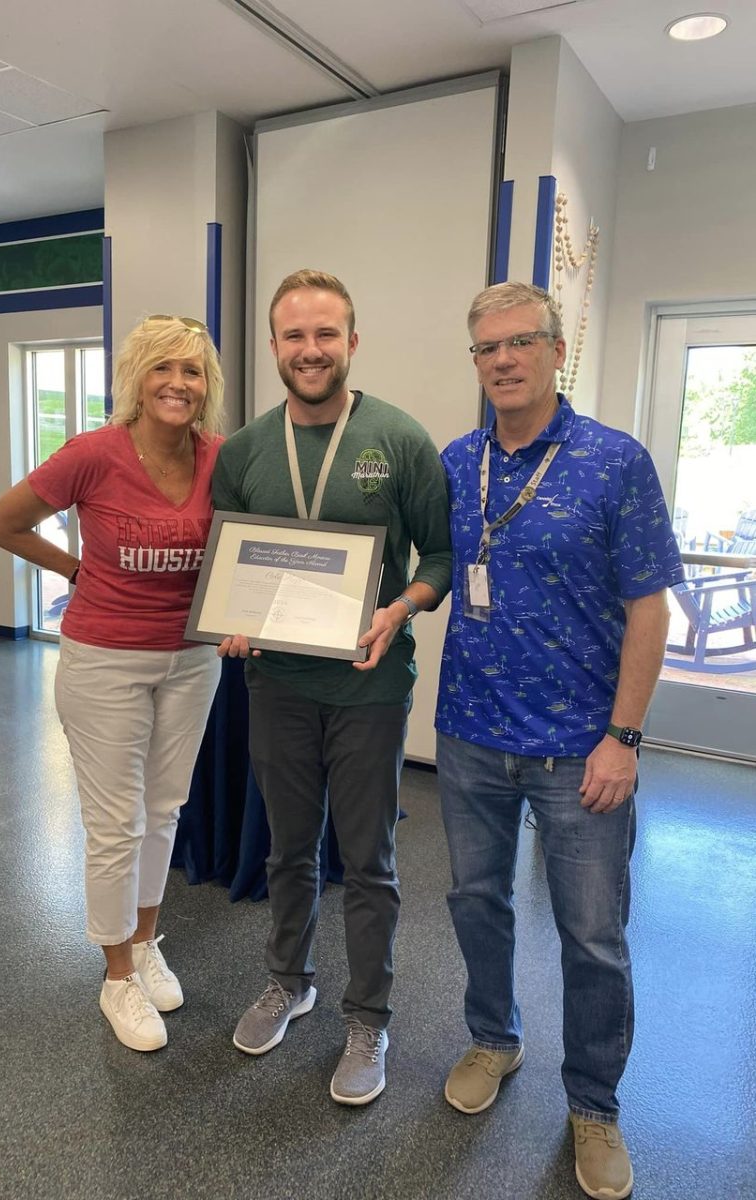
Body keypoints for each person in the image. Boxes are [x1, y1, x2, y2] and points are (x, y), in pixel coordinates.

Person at [435, 282, 684, 1199]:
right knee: (475, 901)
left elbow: (647, 609)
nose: (503, 359)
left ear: (554, 347)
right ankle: (494, 1039)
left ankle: (594, 1104)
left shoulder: (615, 462)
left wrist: (624, 736)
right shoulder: (458, 463)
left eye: (519, 342)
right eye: (486, 348)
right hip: (468, 735)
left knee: (592, 936)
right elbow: (423, 568)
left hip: (582, 748)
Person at [212, 268, 451, 1105]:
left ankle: (368, 1017)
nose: (309, 351)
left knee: (369, 861)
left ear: (352, 341)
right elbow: (227, 563)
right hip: (276, 684)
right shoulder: (244, 451)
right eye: (293, 336)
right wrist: (231, 620)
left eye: (326, 334)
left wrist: (402, 605)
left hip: (368, 688)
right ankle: (290, 981)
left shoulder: (400, 439)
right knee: (286, 850)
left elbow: (443, 557)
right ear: (274, 346)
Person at [0, 315, 225, 1052]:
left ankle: (145, 941)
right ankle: (115, 974)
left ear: (206, 385)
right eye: (162, 369)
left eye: (191, 371)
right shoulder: (94, 453)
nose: (177, 384)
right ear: (137, 380)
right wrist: (74, 569)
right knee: (115, 823)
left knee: (164, 810)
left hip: (192, 657)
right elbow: (3, 522)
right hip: (104, 660)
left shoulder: (220, 457)